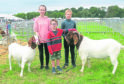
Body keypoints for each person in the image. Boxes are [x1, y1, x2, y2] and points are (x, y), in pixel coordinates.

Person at [33, 5, 51, 70]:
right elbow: (36, 30)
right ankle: (41, 65)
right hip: (40, 38)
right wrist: (38, 37)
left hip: (47, 38)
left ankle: (47, 65)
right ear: (39, 10)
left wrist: (49, 37)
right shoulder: (36, 20)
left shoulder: (48, 19)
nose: (42, 11)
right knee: (41, 52)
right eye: (41, 9)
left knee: (47, 52)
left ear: (45, 10)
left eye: (43, 10)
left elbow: (50, 29)